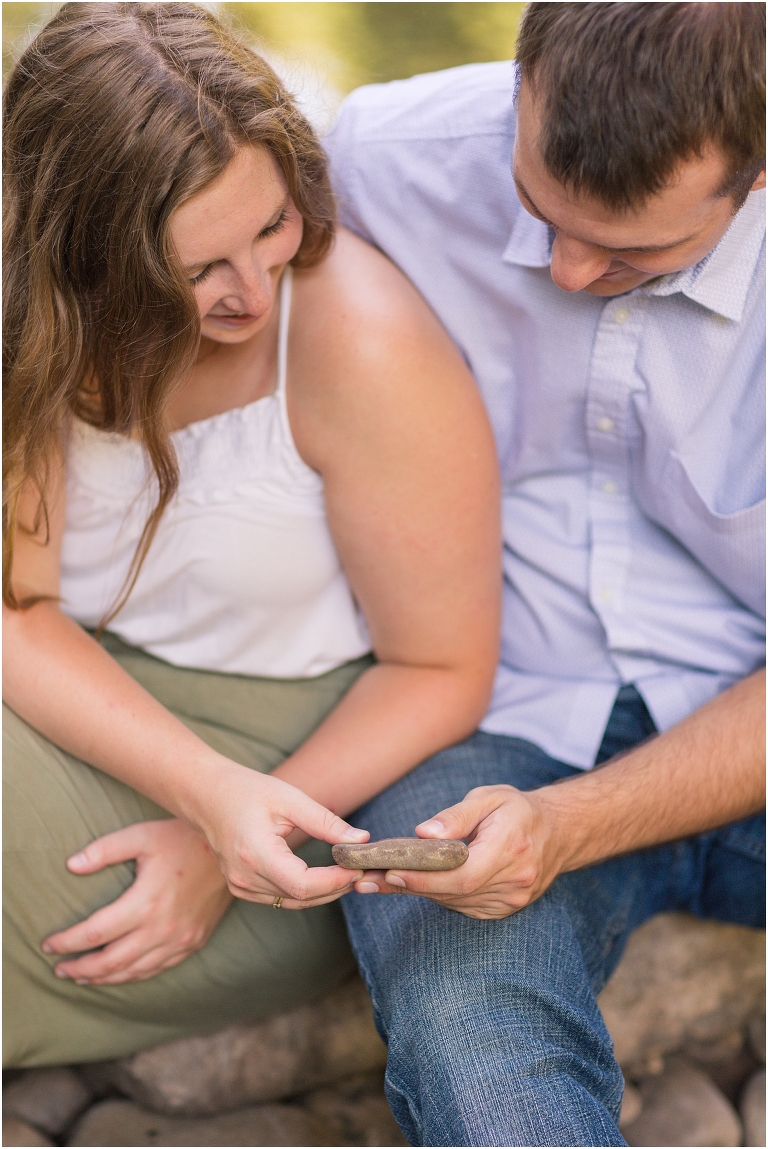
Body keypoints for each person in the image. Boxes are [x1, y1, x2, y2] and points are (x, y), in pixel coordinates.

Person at [1, 2, 501, 1068]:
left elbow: (442, 669)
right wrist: (196, 788)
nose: (251, 296)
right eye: (192, 272)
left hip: (300, 762)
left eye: (272, 227)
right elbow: (21, 608)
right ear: (78, 258)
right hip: (83, 698)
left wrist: (220, 823)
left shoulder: (358, 342)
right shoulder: (32, 320)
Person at [323, 3, 766, 1145]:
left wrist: (570, 825)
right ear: (520, 79)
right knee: (472, 1031)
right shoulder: (376, 165)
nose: (565, 272)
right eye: (536, 208)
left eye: (632, 252)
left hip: (742, 718)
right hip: (485, 718)